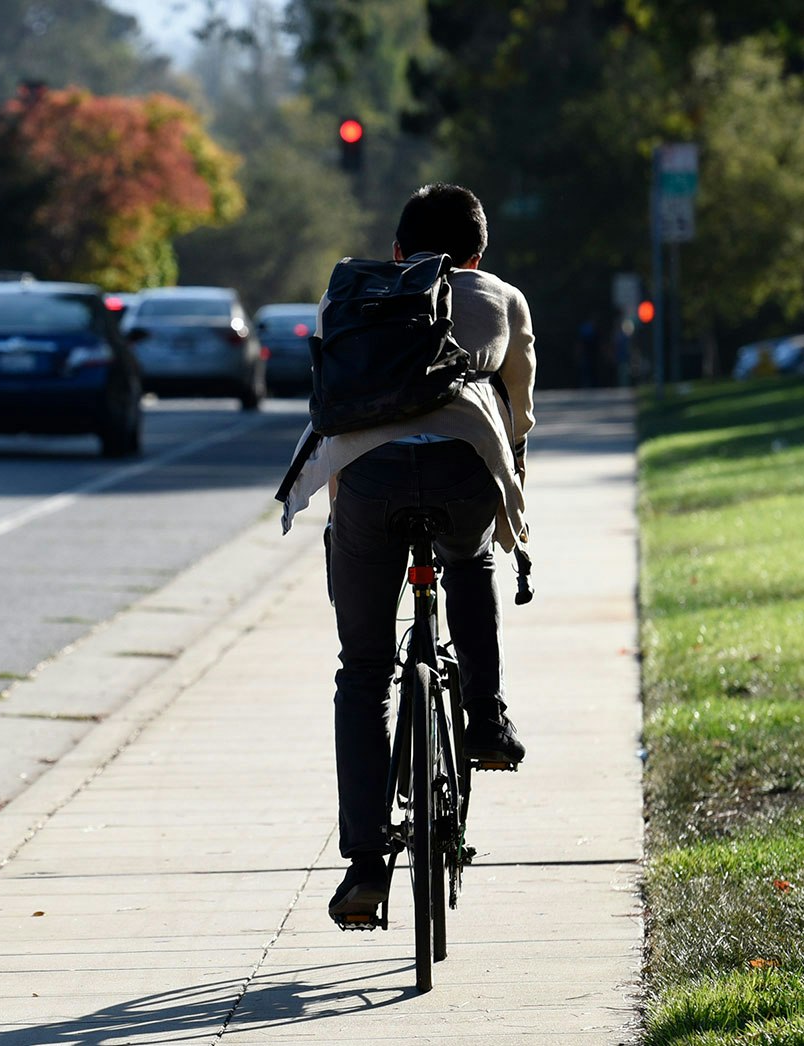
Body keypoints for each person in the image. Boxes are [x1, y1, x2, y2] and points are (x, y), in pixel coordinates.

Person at [277, 183, 536, 924]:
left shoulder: (350, 292)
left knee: (363, 670)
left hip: (368, 478)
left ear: (397, 253)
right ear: (477, 253)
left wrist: (347, 519)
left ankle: (364, 869)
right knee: (471, 560)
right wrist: (514, 513)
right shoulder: (502, 296)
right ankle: (485, 721)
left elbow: (331, 402)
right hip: (462, 471)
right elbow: (518, 416)